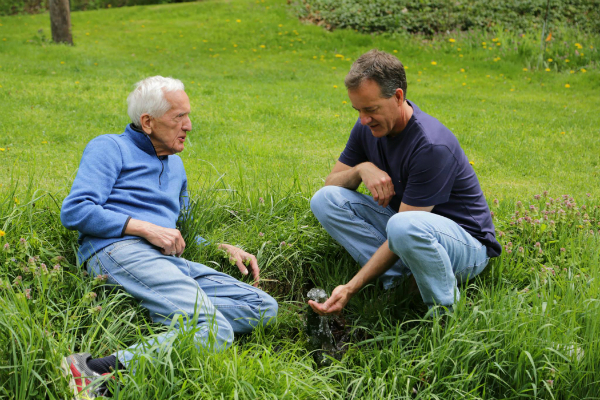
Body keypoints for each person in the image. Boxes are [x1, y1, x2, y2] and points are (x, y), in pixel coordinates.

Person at [60, 76, 278, 398]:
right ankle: (91, 372)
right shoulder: (109, 147)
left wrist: (222, 247)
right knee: (214, 329)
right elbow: (76, 210)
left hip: (167, 259)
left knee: (263, 307)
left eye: (188, 116)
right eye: (179, 117)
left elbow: (182, 229)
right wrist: (144, 227)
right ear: (147, 122)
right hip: (118, 250)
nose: (188, 126)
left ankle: (180, 321)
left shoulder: (176, 166)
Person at [309, 49, 501, 317]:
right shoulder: (366, 127)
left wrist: (351, 288)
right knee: (324, 199)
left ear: (398, 96)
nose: (364, 119)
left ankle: (444, 315)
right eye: (358, 110)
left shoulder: (431, 145)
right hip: (411, 231)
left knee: (402, 225)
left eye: (371, 109)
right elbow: (331, 183)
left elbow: (404, 226)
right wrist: (362, 169)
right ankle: (400, 282)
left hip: (466, 247)